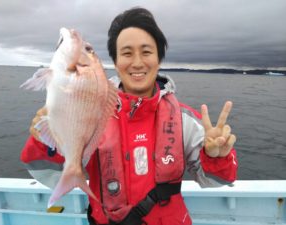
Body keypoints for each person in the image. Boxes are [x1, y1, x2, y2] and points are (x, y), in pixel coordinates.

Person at [20, 7, 237, 225]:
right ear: (115, 62)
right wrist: (47, 142)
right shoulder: (94, 111)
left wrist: (216, 156)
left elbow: (217, 181)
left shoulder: (184, 120)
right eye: (126, 53)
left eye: (146, 52)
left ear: (159, 59)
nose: (137, 63)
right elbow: (46, 175)